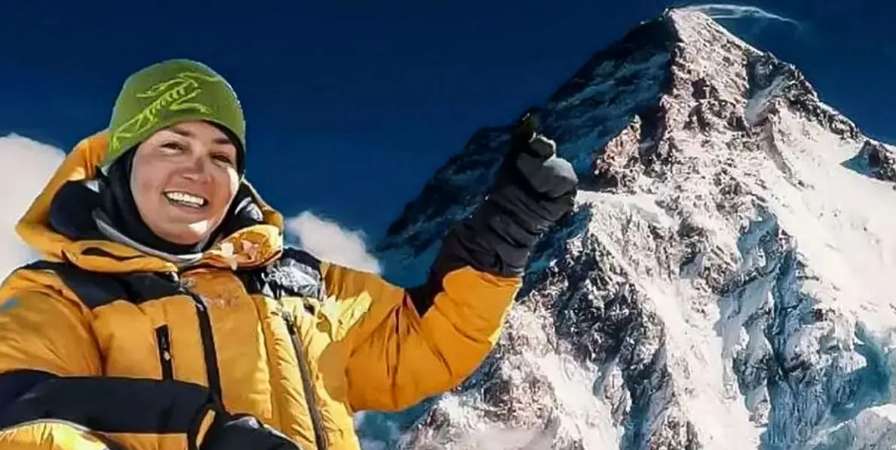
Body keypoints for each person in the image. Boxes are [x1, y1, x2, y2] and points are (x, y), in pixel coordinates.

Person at [0, 59, 577, 450]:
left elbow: (422, 344)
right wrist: (200, 433)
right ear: (121, 164)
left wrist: (506, 233)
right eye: (172, 145)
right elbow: (20, 413)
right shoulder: (60, 294)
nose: (199, 171)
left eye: (222, 155)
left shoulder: (301, 283)